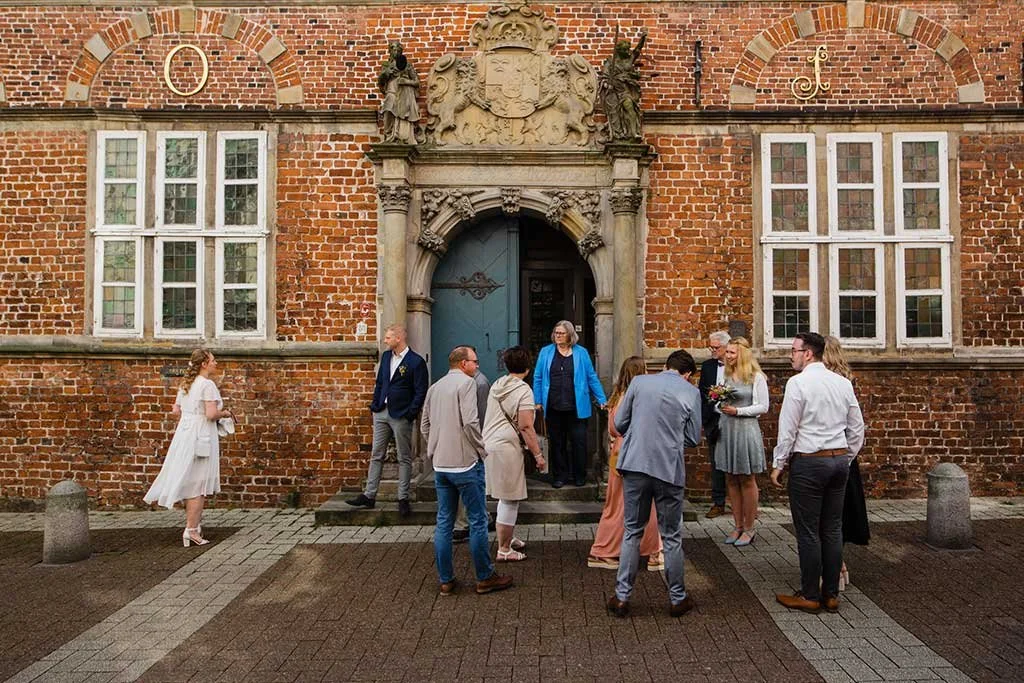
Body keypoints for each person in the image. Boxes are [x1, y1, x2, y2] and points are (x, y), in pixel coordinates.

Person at [771, 332, 865, 614]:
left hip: (810, 461)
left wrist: (779, 462)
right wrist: (846, 457)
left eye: (794, 350)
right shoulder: (842, 383)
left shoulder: (798, 383)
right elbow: (857, 427)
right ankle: (832, 594)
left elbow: (788, 427)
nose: (790, 355)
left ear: (808, 353)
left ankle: (810, 594)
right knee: (833, 528)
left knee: (809, 530)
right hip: (837, 460)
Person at [606, 350, 702, 619]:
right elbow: (693, 438)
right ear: (687, 373)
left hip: (635, 464)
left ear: (665, 366)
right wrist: (669, 443)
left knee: (632, 531)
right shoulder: (690, 392)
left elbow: (620, 422)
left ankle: (622, 597)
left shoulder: (639, 383)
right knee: (671, 535)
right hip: (668, 469)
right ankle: (677, 598)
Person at [422, 345, 513, 596]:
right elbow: (472, 422)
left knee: (444, 522)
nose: (477, 366)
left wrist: (433, 449)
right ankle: (485, 577)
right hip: (465, 463)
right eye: (474, 361)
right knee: (477, 520)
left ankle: (446, 580)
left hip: (441, 464)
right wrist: (480, 450)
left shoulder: (435, 387)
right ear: (463, 363)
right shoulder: (467, 384)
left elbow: (425, 424)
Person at [144, 348, 234, 547]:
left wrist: (191, 416)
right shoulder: (207, 385)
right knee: (198, 484)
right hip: (201, 436)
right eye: (213, 360)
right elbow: (211, 414)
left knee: (192, 480)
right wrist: (225, 413)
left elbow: (176, 410)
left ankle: (193, 526)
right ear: (204, 363)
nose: (216, 363)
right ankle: (192, 530)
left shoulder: (187, 384)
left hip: (185, 434)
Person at [587, 356, 663, 571]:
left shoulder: (618, 395)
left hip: (619, 453)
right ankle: (613, 551)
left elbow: (613, 429)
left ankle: (611, 550)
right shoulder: (637, 397)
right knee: (643, 504)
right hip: (636, 453)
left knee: (617, 504)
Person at [347, 324, 428, 517]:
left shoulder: (415, 362)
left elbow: (420, 390)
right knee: (376, 454)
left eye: (388, 337)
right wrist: (375, 404)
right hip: (381, 412)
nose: (385, 340)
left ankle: (403, 497)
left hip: (401, 415)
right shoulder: (385, 357)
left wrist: (410, 413)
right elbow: (381, 382)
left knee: (404, 457)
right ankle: (369, 495)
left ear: (398, 338)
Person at [482, 346, 546, 561]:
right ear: (527, 368)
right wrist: (538, 455)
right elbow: (526, 426)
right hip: (507, 447)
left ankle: (508, 536)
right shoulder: (524, 391)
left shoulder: (497, 385)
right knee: (510, 499)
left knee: (503, 495)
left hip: (489, 443)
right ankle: (504, 549)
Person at [533, 320, 607, 488]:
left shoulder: (581, 353)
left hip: (576, 407)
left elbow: (591, 377)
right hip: (553, 406)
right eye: (556, 332)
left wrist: (602, 399)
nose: (557, 335)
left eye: (561, 333)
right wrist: (537, 401)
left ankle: (579, 475)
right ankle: (560, 476)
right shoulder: (546, 352)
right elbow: (538, 378)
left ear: (570, 335)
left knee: (578, 442)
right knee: (557, 443)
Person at [823, 335, 870, 590]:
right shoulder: (847, 380)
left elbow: (855, 425)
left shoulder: (834, 383)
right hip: (844, 455)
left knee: (831, 515)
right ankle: (839, 566)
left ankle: (835, 568)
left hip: (833, 453)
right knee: (837, 514)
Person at [715, 337, 768, 547]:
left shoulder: (756, 377)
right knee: (730, 478)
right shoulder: (725, 375)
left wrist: (739, 411)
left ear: (742, 355)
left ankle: (749, 527)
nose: (727, 357)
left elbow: (763, 406)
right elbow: (718, 401)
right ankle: (737, 525)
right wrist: (718, 404)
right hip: (727, 428)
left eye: (731, 353)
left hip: (745, 429)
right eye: (726, 352)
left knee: (746, 478)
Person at [453, 367, 491, 543]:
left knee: (471, 480)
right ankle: (474, 519)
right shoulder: (460, 382)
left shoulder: (479, 382)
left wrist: (480, 440)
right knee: (471, 480)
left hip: (469, 439)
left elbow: (480, 415)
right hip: (462, 440)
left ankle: (465, 523)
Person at [698, 330, 730, 518]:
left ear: (727, 347)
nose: (713, 350)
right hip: (714, 419)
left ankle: (743, 503)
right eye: (711, 347)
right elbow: (702, 392)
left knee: (738, 462)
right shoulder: (708, 366)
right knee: (716, 462)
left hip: (734, 419)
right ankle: (718, 502)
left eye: (716, 347)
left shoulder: (739, 367)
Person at [599, 28, 647, 141]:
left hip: (625, 90)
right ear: (619, 50)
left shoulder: (629, 59)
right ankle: (618, 134)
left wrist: (643, 38)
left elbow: (638, 50)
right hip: (614, 91)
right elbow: (604, 77)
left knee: (629, 106)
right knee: (615, 114)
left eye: (627, 49)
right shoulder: (611, 62)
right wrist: (607, 85)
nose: (627, 51)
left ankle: (633, 132)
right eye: (625, 50)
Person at [377, 41, 420, 145]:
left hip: (403, 94)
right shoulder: (386, 65)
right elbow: (380, 82)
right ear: (390, 51)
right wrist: (386, 74)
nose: (395, 52)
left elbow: (416, 82)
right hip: (391, 91)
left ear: (401, 52)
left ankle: (398, 134)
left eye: (398, 50)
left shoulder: (407, 65)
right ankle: (389, 134)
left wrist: (406, 81)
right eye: (393, 50)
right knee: (388, 110)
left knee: (401, 113)